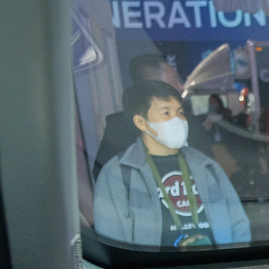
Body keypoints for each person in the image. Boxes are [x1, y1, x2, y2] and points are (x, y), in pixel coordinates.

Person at [93, 80, 249, 247]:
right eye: (166, 113)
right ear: (141, 122)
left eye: (180, 112)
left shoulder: (206, 166)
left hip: (214, 262)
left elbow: (238, 224)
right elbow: (113, 239)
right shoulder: (118, 173)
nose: (178, 120)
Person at [94, 53, 212, 179]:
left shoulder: (190, 122)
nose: (181, 87)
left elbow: (210, 172)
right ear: (154, 85)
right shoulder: (120, 128)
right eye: (174, 80)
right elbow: (104, 176)